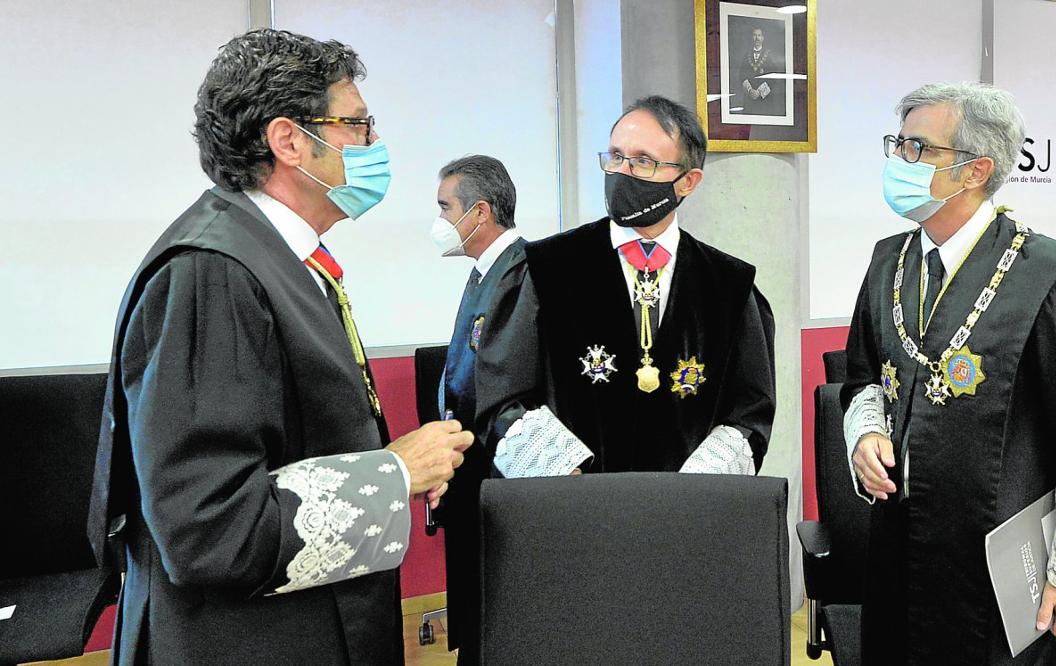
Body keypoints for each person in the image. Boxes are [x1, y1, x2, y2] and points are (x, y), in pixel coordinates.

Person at [87, 29, 473, 665]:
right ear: (289, 140)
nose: (373, 144)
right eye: (357, 124)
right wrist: (395, 471)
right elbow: (210, 528)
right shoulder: (211, 273)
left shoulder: (276, 257)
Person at [842, 81, 1056, 665]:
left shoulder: (1052, 276)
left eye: (918, 148)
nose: (899, 160)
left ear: (975, 170)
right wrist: (865, 433)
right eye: (898, 144)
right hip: (900, 548)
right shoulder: (888, 261)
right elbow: (862, 377)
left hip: (1004, 563)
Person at [475, 95, 775, 480]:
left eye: (643, 162)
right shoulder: (545, 268)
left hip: (685, 513)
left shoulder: (730, 286)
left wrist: (695, 487)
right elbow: (503, 396)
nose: (621, 172)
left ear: (687, 181)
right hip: (572, 509)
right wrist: (562, 474)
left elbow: (750, 410)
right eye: (616, 156)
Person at [429, 155, 525, 665]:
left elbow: (508, 383)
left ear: (480, 211)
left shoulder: (521, 273)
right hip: (470, 464)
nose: (439, 222)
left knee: (497, 611)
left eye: (446, 208)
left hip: (498, 473)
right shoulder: (484, 272)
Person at [734, 26, 784, 116]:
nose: (757, 38)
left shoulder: (770, 55)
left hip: (765, 101)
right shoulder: (747, 55)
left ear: (763, 38)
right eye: (755, 35)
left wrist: (759, 92)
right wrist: (750, 90)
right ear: (752, 37)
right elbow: (741, 75)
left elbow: (774, 77)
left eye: (759, 35)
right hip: (749, 101)